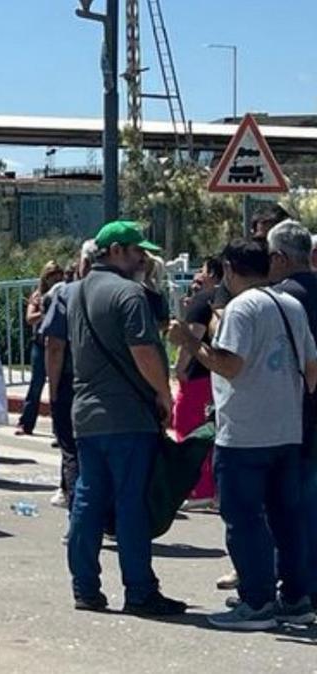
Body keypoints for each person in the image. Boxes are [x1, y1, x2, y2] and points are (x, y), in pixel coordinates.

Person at [168, 237, 316, 630]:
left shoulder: (241, 308)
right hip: (287, 429)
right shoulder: (289, 305)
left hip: (246, 433)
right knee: (286, 517)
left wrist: (189, 342)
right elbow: (311, 368)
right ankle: (296, 597)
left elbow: (229, 366)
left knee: (244, 517)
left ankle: (257, 601)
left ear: (231, 269)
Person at [66, 220, 185, 616]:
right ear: (116, 250)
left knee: (87, 499)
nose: (143, 259)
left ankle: (85, 586)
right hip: (127, 415)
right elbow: (144, 353)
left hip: (86, 413)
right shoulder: (130, 294)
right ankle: (139, 589)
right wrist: (165, 394)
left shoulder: (74, 292)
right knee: (130, 502)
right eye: (137, 252)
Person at [265, 220, 317, 613]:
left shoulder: (277, 301)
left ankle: (298, 589)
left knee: (294, 509)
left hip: (296, 418)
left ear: (280, 257)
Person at [42, 240, 97, 511]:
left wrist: (52, 389)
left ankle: (80, 515)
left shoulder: (65, 294)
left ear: (84, 264)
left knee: (72, 451)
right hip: (109, 387)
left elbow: (54, 346)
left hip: (71, 382)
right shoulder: (130, 293)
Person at [173, 256, 222, 509]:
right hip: (216, 373)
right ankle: (212, 487)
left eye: (202, 270)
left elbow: (190, 339)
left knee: (187, 427)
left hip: (196, 375)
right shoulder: (224, 299)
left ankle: (199, 488)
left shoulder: (203, 300)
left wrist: (179, 369)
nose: (198, 276)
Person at [17, 261, 64, 435]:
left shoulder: (64, 292)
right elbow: (30, 318)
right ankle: (26, 423)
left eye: (59, 275)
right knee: (36, 384)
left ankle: (58, 426)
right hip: (40, 343)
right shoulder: (39, 295)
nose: (57, 279)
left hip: (57, 341)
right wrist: (44, 310)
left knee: (57, 385)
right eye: (53, 276)